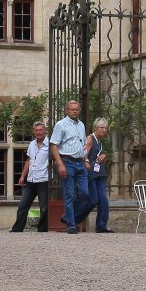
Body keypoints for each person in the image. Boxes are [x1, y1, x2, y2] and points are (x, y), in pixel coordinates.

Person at [50, 99, 89, 234]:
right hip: (67, 161)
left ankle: (68, 216)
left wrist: (86, 160)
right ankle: (71, 225)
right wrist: (60, 163)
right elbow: (53, 145)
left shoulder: (81, 125)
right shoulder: (61, 125)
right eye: (72, 109)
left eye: (76, 109)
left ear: (79, 110)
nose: (74, 111)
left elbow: (83, 145)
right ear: (66, 110)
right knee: (69, 195)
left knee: (84, 193)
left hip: (80, 162)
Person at [10, 120, 51, 233]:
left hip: (43, 179)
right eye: (36, 130)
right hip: (30, 179)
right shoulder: (32, 144)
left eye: (41, 130)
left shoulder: (50, 144)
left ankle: (42, 230)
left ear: (45, 130)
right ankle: (17, 228)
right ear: (34, 131)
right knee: (23, 205)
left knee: (44, 207)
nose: (39, 132)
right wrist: (23, 176)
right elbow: (29, 161)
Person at [84, 117, 114, 233]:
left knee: (103, 200)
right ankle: (75, 218)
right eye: (101, 127)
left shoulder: (100, 141)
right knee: (93, 199)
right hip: (91, 174)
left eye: (105, 128)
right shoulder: (90, 138)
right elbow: (84, 153)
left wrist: (104, 155)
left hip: (100, 174)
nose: (104, 130)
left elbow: (99, 154)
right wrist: (86, 161)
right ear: (95, 128)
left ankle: (101, 226)